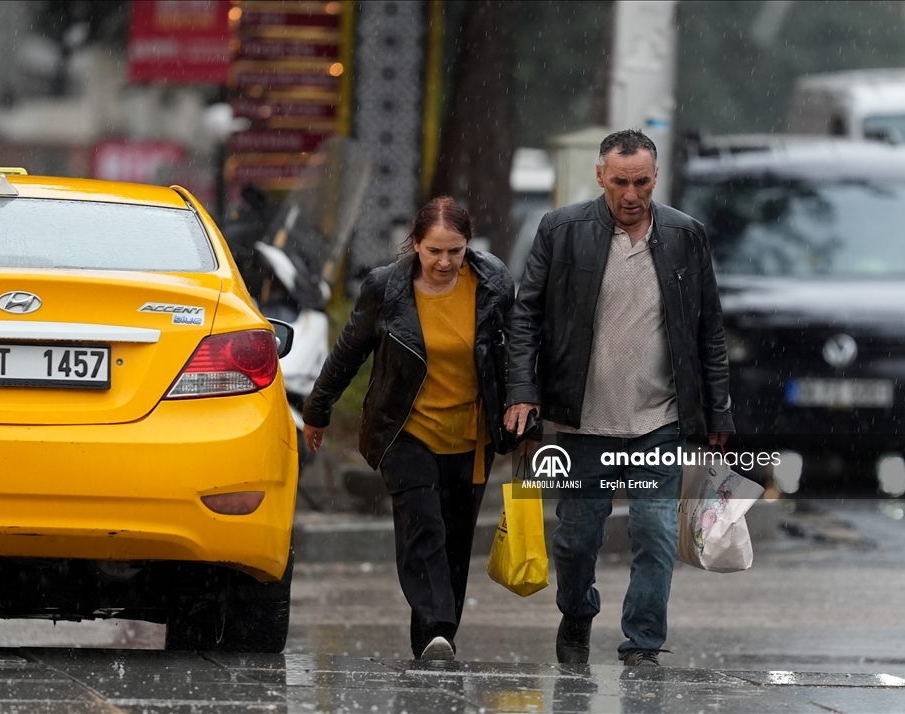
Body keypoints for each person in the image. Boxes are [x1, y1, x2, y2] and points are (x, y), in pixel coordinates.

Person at [504, 129, 734, 667]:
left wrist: (718, 411)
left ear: (656, 178)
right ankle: (577, 611)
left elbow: (709, 331)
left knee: (655, 531)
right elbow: (526, 317)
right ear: (600, 176)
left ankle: (642, 645)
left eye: (642, 182)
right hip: (584, 425)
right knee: (576, 541)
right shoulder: (561, 230)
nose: (631, 195)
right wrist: (522, 392)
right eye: (620, 182)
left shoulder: (686, 235)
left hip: (660, 421)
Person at [302, 196, 515, 662]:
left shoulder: (493, 283)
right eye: (434, 250)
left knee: (455, 540)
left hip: (470, 433)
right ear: (415, 243)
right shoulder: (386, 288)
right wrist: (317, 409)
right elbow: (349, 350)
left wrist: (524, 406)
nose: (445, 262)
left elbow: (514, 352)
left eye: (455, 251)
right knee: (423, 527)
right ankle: (439, 627)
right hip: (405, 428)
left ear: (468, 245)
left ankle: (434, 640)